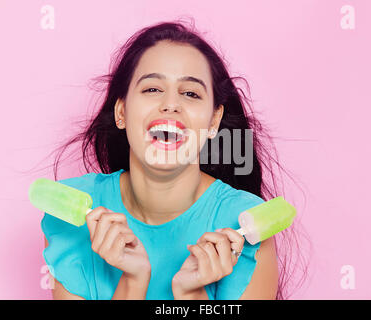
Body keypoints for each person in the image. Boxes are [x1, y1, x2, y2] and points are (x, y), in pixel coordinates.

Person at [42, 20, 304, 300]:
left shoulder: (247, 229)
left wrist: (192, 295)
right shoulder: (74, 214)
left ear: (213, 121)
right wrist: (132, 281)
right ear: (121, 111)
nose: (171, 104)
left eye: (190, 93)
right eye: (152, 89)